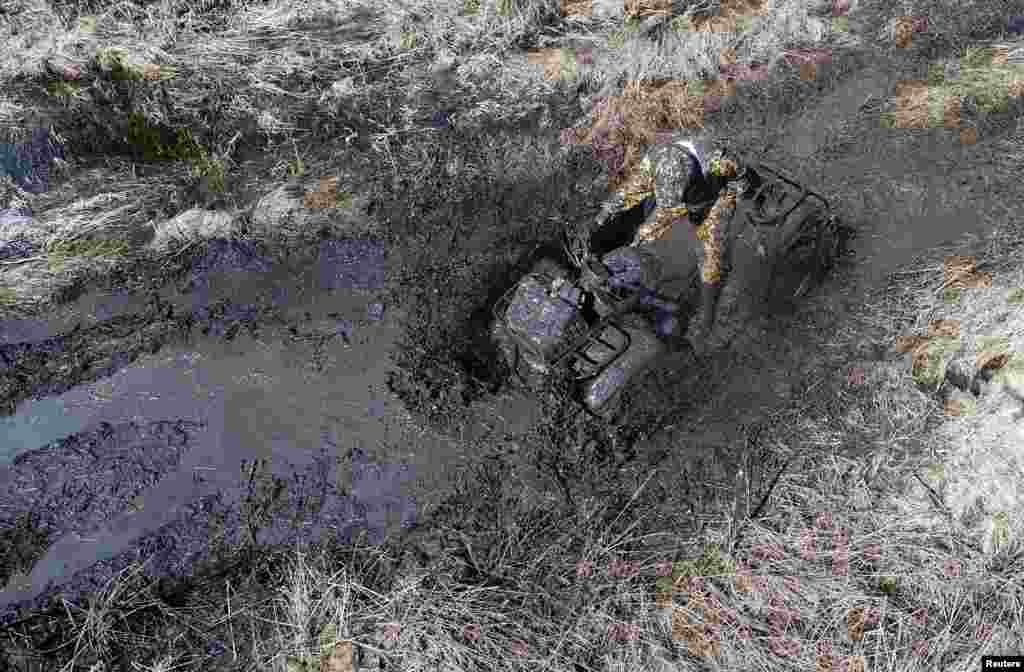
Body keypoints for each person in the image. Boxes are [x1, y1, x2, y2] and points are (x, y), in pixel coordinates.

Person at [593, 131, 758, 350]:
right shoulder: (656, 160)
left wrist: (747, 208)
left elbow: (743, 183)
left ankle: (707, 318)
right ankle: (638, 281)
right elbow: (629, 191)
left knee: (710, 252)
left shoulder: (720, 161)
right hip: (676, 197)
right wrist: (600, 218)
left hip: (716, 193)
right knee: (644, 233)